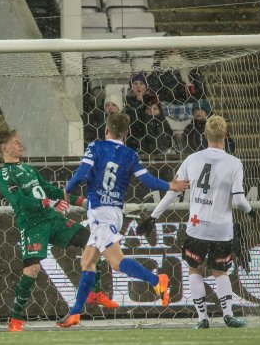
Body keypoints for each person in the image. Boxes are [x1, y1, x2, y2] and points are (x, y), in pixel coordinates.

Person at [55, 112, 189, 328]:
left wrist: (67, 190)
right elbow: (146, 180)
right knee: (87, 262)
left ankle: (157, 281)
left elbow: (81, 173)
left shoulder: (95, 147)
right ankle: (75, 313)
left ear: (106, 129)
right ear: (126, 133)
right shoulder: (129, 154)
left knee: (116, 262)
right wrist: (170, 185)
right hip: (114, 211)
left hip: (101, 212)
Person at [137, 115, 255, 329]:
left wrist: (154, 217)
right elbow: (239, 200)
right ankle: (228, 315)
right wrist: (250, 211)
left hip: (197, 227)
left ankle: (203, 319)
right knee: (220, 272)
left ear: (204, 135)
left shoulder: (192, 159)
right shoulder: (234, 163)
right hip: (222, 230)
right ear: (226, 136)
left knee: (195, 271)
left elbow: (173, 191)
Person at [0, 129, 117, 332]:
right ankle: (15, 319)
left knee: (93, 241)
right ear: (4, 147)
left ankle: (95, 293)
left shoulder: (27, 168)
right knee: (32, 271)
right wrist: (47, 202)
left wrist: (83, 202)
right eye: (16, 142)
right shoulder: (5, 173)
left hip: (52, 220)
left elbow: (50, 189)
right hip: (32, 225)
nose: (21, 145)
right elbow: (19, 201)